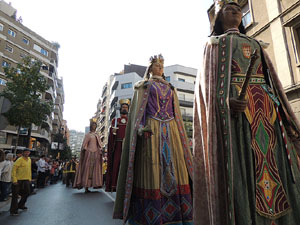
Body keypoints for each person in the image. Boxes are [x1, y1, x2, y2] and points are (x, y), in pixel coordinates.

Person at [193, 1, 300, 225]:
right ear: (218, 18)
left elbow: (272, 80)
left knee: (275, 161)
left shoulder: (257, 44)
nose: (235, 11)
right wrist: (225, 101)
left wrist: (280, 108)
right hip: (238, 116)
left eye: (238, 9)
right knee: (244, 164)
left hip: (267, 111)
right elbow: (207, 86)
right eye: (228, 9)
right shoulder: (214, 44)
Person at [113, 54, 193, 224]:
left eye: (162, 66)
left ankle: (178, 214)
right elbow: (139, 115)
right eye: (157, 66)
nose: (160, 68)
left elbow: (176, 113)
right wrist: (141, 129)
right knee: (152, 168)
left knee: (176, 166)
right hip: (152, 130)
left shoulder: (171, 88)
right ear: (150, 68)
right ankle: (151, 215)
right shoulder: (144, 87)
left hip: (171, 131)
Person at [105, 99, 130, 192]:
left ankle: (127, 185)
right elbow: (111, 136)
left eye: (126, 107)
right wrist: (113, 132)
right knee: (116, 164)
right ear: (120, 109)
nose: (124, 109)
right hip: (118, 146)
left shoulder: (130, 120)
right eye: (123, 107)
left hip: (127, 146)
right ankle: (114, 185)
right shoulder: (115, 120)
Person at [73, 121, 103, 193]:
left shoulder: (97, 135)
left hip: (96, 153)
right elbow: (84, 144)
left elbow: (99, 144)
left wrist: (100, 150)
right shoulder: (88, 135)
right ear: (91, 126)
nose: (94, 126)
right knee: (87, 169)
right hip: (89, 153)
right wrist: (85, 149)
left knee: (95, 170)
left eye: (95, 125)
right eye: (93, 125)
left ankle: (95, 184)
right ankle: (86, 186)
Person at [10, 148, 32, 216]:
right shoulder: (19, 160)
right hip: (18, 180)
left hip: (26, 179)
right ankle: (14, 210)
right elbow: (13, 170)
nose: (27, 153)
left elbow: (29, 170)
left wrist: (30, 179)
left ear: (29, 153)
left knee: (27, 193)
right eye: (25, 152)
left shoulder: (29, 159)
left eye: (28, 152)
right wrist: (14, 180)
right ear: (23, 153)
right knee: (15, 196)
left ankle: (20, 205)